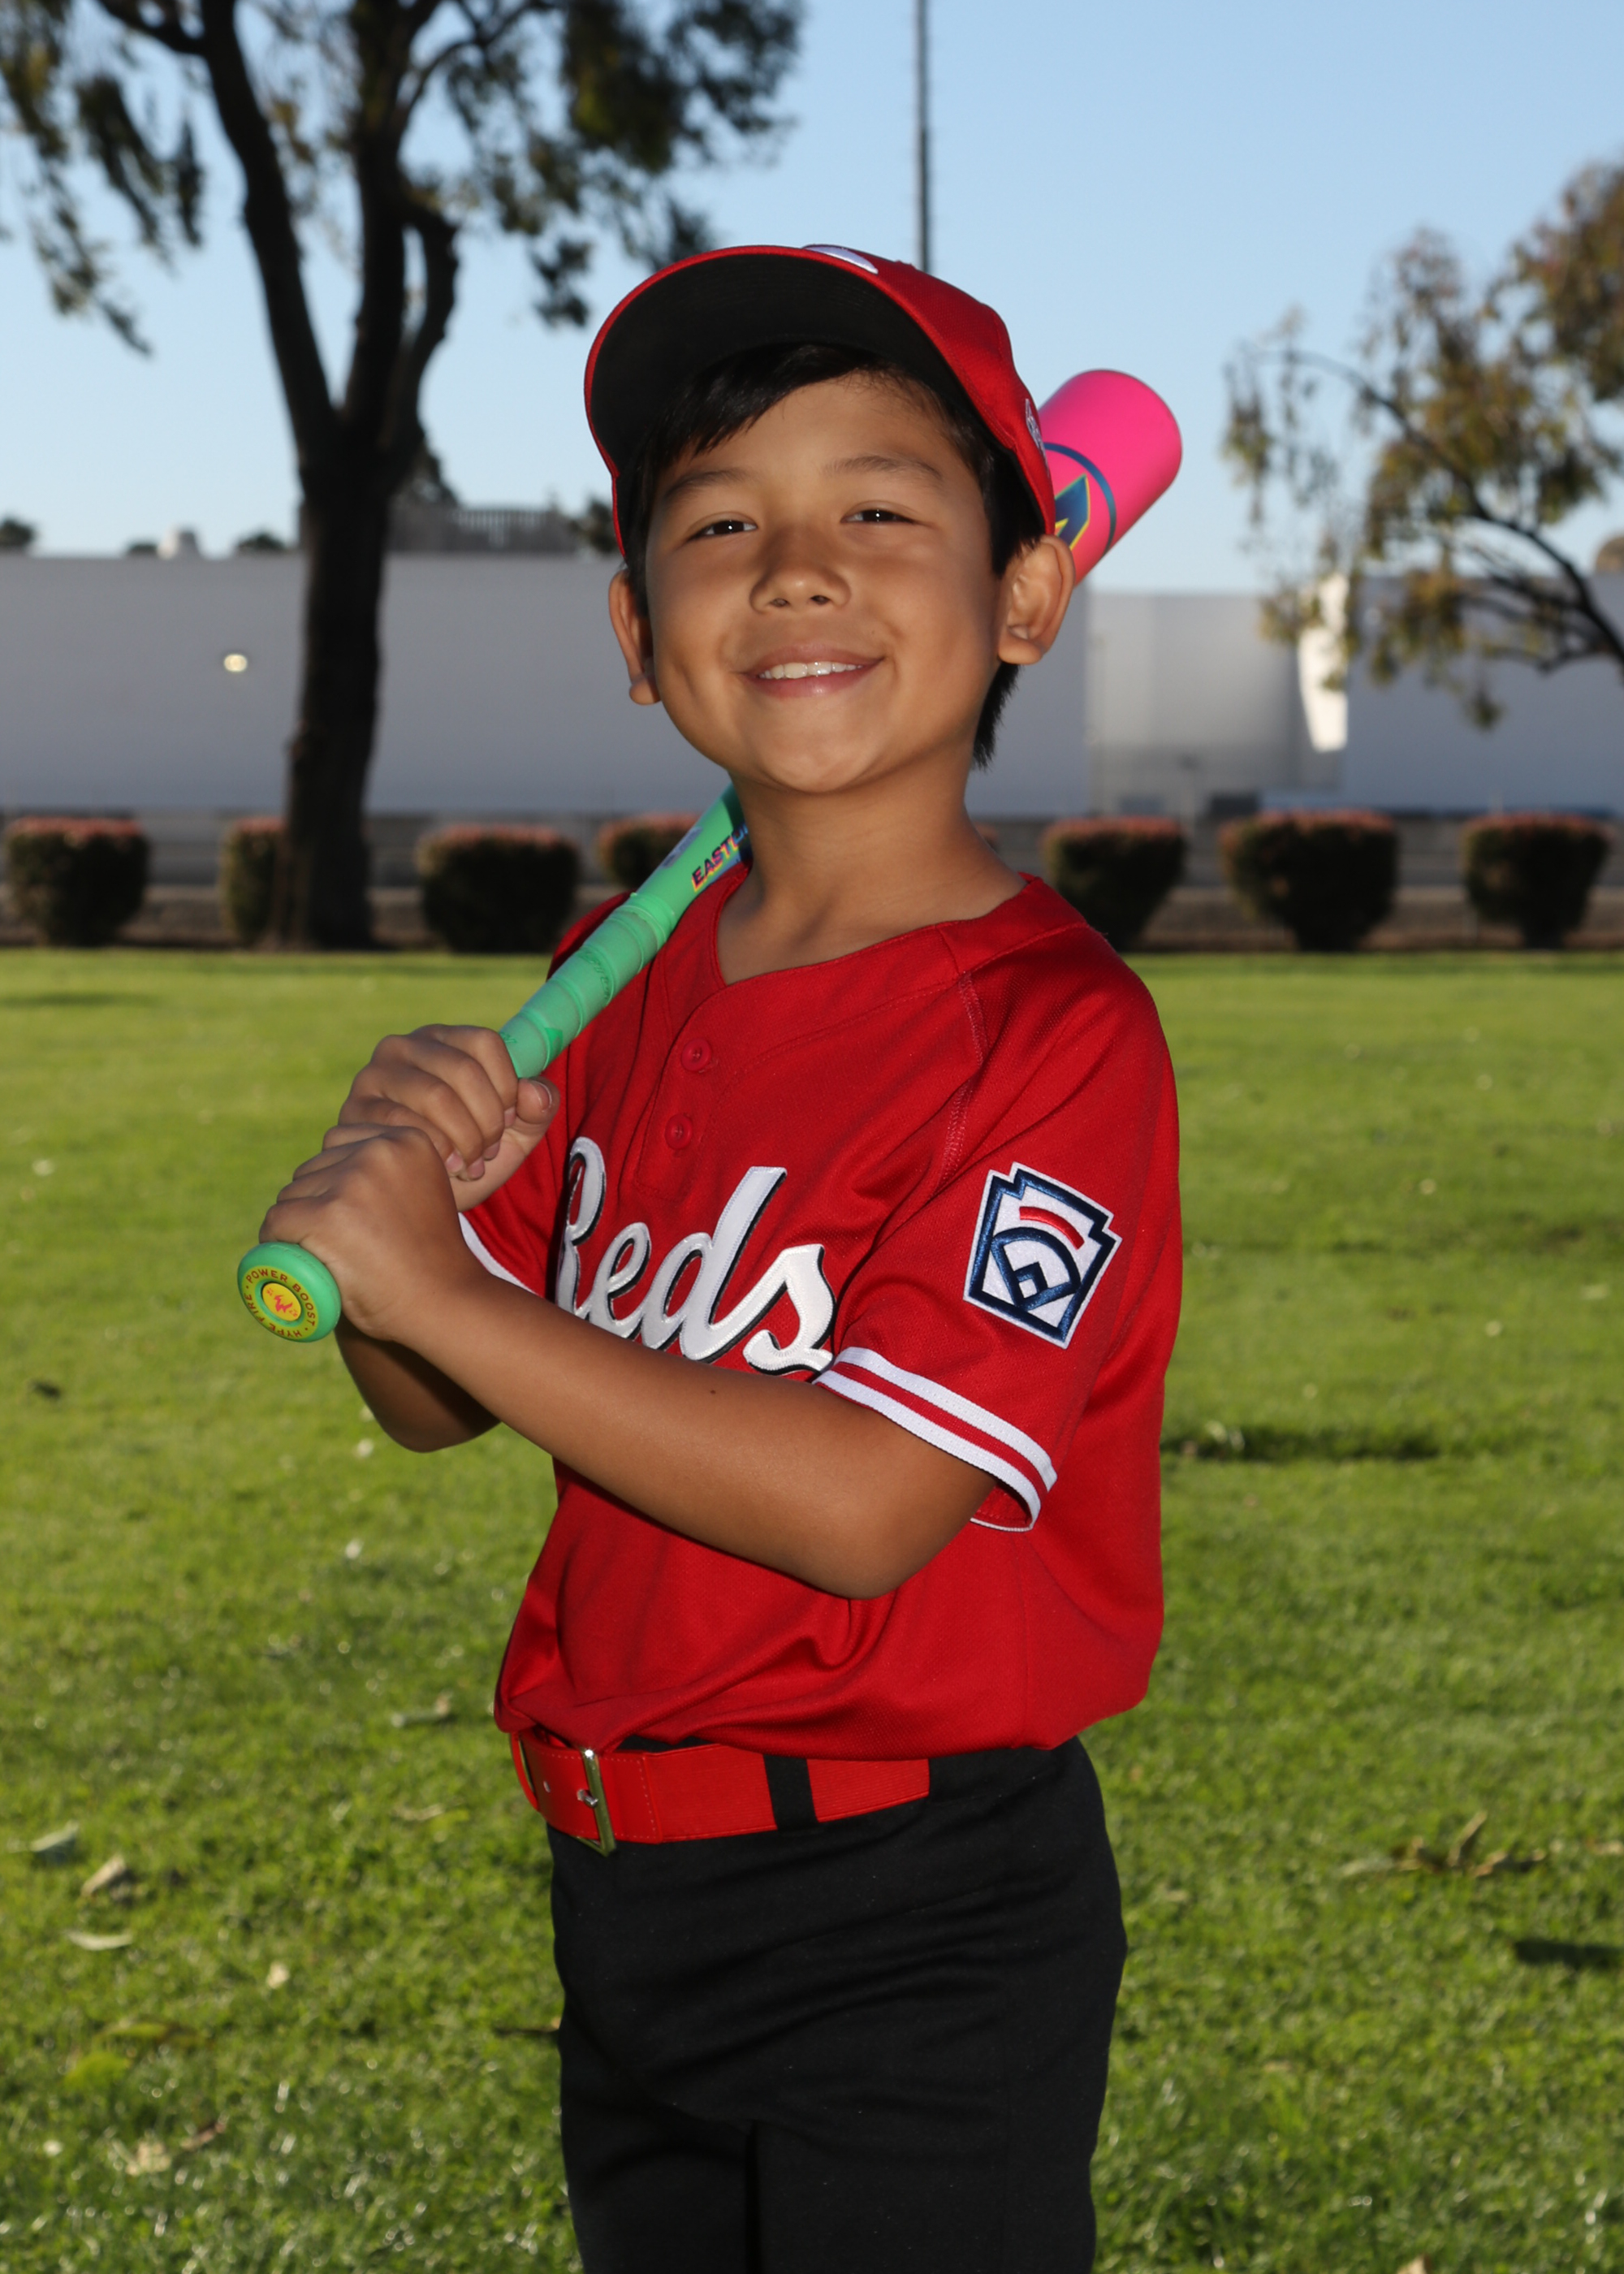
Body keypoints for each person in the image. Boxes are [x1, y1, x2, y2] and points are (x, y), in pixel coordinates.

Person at [261, 244, 1181, 2273]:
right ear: (637, 631)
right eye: (718, 526)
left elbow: (866, 1504)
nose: (795, 571)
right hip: (624, 1888)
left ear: (1024, 594)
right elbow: (430, 1402)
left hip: (914, 1912)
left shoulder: (1053, 1033)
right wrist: (412, 1224)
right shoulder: (630, 976)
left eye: (882, 509)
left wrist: (450, 1290)